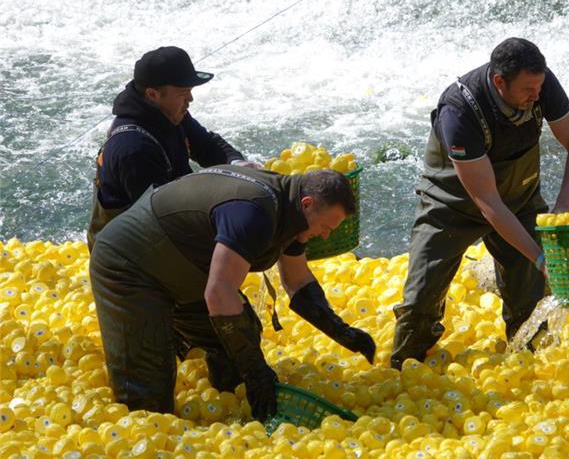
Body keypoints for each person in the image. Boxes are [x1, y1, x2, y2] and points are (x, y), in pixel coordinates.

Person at [89, 167, 376, 421]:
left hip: (186, 269)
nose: (326, 235)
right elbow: (218, 292)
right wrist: (256, 371)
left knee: (240, 340)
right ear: (308, 203)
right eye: (326, 227)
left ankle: (227, 419)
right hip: (130, 266)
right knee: (149, 399)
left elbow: (297, 283)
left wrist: (343, 332)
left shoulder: (292, 213)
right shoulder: (255, 213)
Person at [391, 38, 569, 369]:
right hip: (451, 204)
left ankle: (528, 364)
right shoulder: (459, 111)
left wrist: (562, 212)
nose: (536, 95)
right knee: (420, 297)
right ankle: (405, 370)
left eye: (540, 86)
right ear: (500, 82)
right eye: (528, 89)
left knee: (530, 295)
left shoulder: (540, 84)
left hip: (520, 199)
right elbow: (488, 204)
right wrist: (540, 256)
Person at [87, 46, 257, 250]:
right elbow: (167, 220)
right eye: (184, 92)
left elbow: (208, 145)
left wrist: (237, 165)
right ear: (152, 94)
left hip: (163, 222)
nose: (190, 100)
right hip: (126, 256)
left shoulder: (171, 114)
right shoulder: (132, 148)